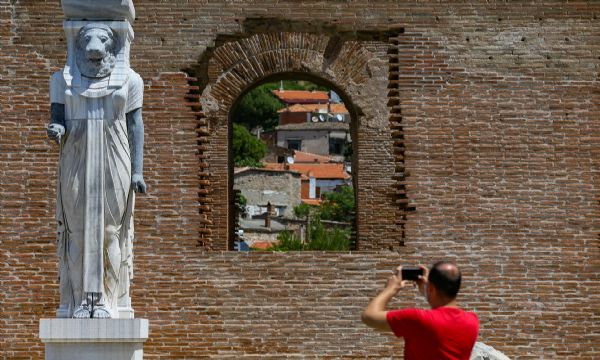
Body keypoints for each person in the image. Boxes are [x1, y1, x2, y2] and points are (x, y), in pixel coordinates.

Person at [361, 261, 479, 360]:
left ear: (432, 288)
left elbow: (368, 316)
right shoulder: (472, 321)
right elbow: (443, 314)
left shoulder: (418, 319)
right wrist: (429, 291)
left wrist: (391, 288)